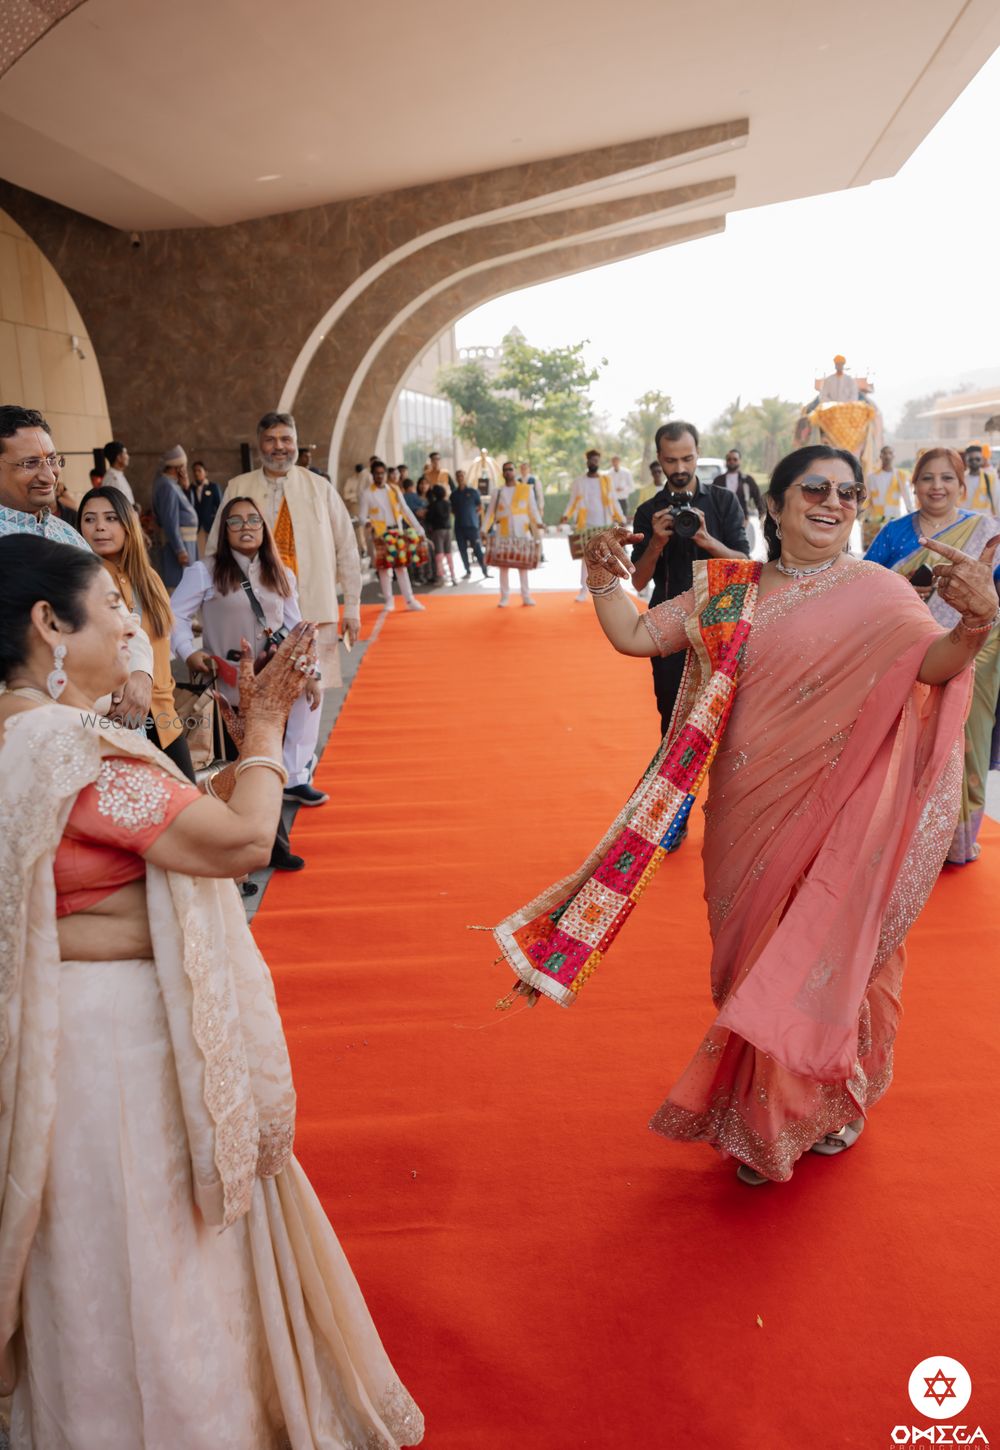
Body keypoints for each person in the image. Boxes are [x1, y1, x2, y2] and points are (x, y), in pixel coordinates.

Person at [0, 535, 425, 1447]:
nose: (127, 623)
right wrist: (266, 730)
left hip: (56, 1049)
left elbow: (107, 863)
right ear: (47, 625)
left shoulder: (23, 741)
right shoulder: (63, 750)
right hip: (113, 1056)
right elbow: (235, 843)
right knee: (152, 1267)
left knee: (86, 1271)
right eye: (110, 604)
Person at [499, 444, 994, 1189]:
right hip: (746, 808)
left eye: (849, 493)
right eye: (815, 488)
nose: (833, 502)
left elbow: (932, 668)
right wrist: (602, 576)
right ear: (775, 503)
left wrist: (977, 625)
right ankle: (766, 1109)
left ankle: (812, 1107)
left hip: (839, 817)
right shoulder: (731, 591)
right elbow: (635, 636)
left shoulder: (879, 592)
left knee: (818, 957)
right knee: (749, 964)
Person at [172, 496, 327, 869]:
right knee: (237, 767)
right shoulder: (204, 572)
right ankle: (234, 850)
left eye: (253, 520)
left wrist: (311, 673)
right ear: (224, 531)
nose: (246, 527)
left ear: (264, 526)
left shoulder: (280, 572)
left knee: (265, 764)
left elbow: (294, 627)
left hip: (274, 689)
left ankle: (273, 846)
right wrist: (189, 653)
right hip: (229, 686)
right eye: (236, 521)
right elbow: (174, 616)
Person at [864, 446, 1000, 863]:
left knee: (966, 741)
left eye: (946, 478)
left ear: (962, 485)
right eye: (927, 478)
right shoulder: (894, 532)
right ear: (915, 484)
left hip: (978, 647)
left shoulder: (987, 531)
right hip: (912, 650)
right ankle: (906, 841)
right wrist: (903, 586)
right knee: (910, 743)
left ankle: (956, 842)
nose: (936, 486)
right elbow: (867, 588)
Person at [207, 412, 363, 771]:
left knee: (311, 692)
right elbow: (216, 548)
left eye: (286, 439)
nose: (279, 447)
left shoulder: (319, 487)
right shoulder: (238, 487)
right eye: (271, 440)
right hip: (253, 612)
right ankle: (258, 765)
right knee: (255, 688)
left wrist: (352, 606)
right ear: (259, 444)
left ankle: (296, 771)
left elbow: (347, 548)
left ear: (297, 442)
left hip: (313, 607)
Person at [0, 405, 155, 727]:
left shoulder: (66, 534)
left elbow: (118, 611)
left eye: (53, 460)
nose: (49, 475)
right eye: (30, 463)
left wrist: (141, 671)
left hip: (111, 724)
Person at [630, 421, 749, 742]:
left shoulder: (724, 502)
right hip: (667, 629)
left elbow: (746, 565)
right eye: (671, 460)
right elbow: (638, 581)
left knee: (729, 725)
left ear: (698, 454)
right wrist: (655, 542)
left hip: (721, 624)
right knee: (672, 722)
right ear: (659, 458)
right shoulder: (648, 511)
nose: (680, 468)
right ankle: (675, 791)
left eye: (688, 459)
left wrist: (708, 540)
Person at [77, 484, 195, 782]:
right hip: (117, 720)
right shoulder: (81, 582)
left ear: (128, 524)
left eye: (110, 518)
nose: (100, 527)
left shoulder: (149, 578)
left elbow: (161, 645)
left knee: (186, 804)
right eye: (89, 519)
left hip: (165, 716)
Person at [359, 458, 427, 611]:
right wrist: (368, 522)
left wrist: (418, 529)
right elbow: (362, 516)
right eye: (377, 474)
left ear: (386, 474)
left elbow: (406, 510)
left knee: (401, 567)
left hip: (397, 532)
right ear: (372, 475)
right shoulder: (367, 494)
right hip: (380, 534)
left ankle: (410, 600)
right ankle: (389, 601)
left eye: (382, 473)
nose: (380, 476)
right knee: (384, 569)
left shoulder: (394, 490)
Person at [562, 449, 625, 602]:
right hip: (585, 525)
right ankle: (583, 591)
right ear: (587, 461)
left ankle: (611, 590)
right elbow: (573, 501)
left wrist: (620, 517)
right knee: (585, 559)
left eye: (596, 460)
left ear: (599, 462)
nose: (594, 463)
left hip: (604, 524)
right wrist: (566, 515)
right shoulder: (579, 481)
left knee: (608, 557)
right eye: (591, 460)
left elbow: (613, 501)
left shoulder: (606, 480)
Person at [483, 459, 542, 607]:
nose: (508, 472)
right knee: (503, 566)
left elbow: (532, 509)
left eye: (510, 469)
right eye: (505, 469)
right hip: (503, 531)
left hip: (522, 530)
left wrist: (539, 522)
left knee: (523, 565)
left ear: (514, 471)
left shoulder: (525, 489)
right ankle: (504, 597)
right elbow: (490, 512)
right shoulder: (498, 491)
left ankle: (526, 596)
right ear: (503, 473)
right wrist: (483, 530)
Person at [152, 444, 199, 590]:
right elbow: (170, 520)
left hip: (187, 542)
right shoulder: (167, 485)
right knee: (180, 587)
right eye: (183, 465)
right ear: (177, 467)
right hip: (180, 545)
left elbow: (188, 507)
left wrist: (186, 488)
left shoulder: (174, 484)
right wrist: (180, 550)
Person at [863, 444, 915, 549]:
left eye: (890, 453)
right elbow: (867, 498)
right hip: (876, 519)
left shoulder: (901, 476)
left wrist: (912, 514)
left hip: (894, 517)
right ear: (880, 456)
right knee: (875, 548)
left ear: (894, 456)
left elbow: (907, 497)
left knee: (893, 547)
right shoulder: (872, 477)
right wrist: (860, 513)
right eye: (884, 453)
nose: (887, 456)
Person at [451, 469, 490, 578]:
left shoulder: (473, 492)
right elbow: (453, 509)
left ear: (465, 477)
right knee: (462, 549)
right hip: (459, 526)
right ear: (456, 478)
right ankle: (467, 570)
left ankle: (484, 570)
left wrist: (472, 515)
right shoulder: (454, 495)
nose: (460, 478)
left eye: (462, 475)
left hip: (472, 526)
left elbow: (480, 507)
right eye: (458, 476)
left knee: (477, 548)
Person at [714, 446, 764, 523]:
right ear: (726, 461)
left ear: (739, 461)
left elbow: (758, 499)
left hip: (743, 521)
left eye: (735, 459)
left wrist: (763, 517)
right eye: (729, 459)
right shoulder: (718, 480)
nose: (732, 461)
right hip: (722, 522)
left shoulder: (747, 480)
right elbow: (712, 501)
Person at [426, 482, 457, 585]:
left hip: (437, 530)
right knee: (448, 553)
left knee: (439, 554)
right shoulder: (447, 503)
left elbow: (429, 518)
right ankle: (453, 576)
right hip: (448, 529)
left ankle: (441, 577)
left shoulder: (433, 505)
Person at [191, 459, 223, 555]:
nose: (197, 473)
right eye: (194, 471)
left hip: (211, 525)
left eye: (199, 470)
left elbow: (220, 506)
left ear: (205, 472)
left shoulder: (213, 487)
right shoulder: (191, 488)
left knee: (213, 552)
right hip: (198, 527)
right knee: (201, 553)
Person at [962, 441, 998, 515]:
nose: (974, 462)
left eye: (977, 459)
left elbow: (998, 502)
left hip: (986, 523)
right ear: (966, 460)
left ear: (982, 459)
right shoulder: (960, 480)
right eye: (971, 459)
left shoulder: (991, 478)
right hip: (965, 523)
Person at [102, 439, 136, 505]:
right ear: (119, 457)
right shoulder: (112, 479)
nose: (128, 457)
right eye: (125, 453)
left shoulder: (118, 475)